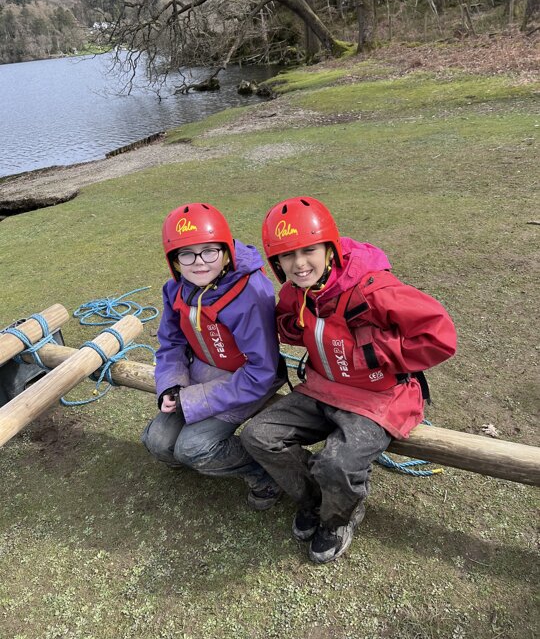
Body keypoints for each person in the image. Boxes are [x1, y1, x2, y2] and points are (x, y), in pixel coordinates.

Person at [241, 196, 457, 562]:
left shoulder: (373, 288)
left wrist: (372, 353)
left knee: (336, 464)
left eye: (309, 250)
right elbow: (290, 326)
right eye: (287, 255)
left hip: (378, 396)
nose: (299, 263)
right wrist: (293, 325)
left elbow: (440, 337)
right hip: (323, 386)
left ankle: (338, 518)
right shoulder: (297, 291)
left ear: (330, 248)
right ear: (276, 262)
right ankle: (315, 499)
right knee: (258, 436)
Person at [142, 202, 285, 509]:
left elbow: (261, 370)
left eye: (209, 251)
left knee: (193, 448)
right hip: (202, 371)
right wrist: (171, 384)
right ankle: (202, 459)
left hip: (248, 377)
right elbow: (171, 343)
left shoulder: (250, 293)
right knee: (158, 443)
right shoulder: (175, 290)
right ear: (174, 260)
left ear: (226, 251)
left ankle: (264, 474)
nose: (199, 263)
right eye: (187, 254)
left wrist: (194, 399)